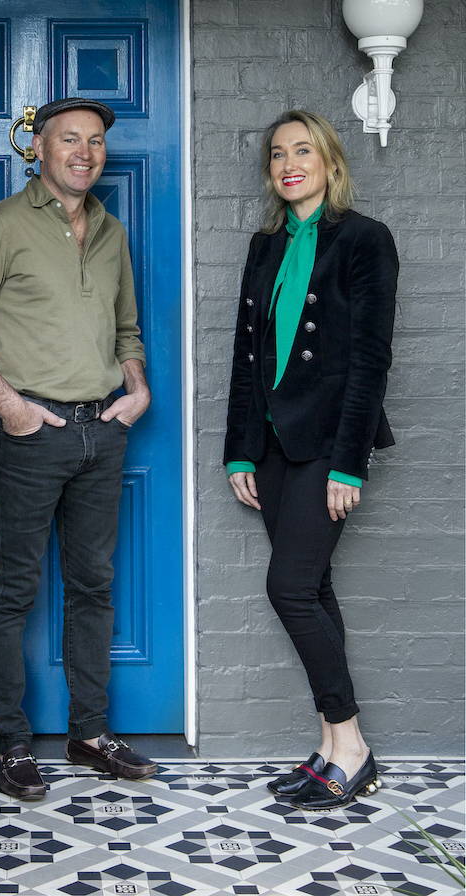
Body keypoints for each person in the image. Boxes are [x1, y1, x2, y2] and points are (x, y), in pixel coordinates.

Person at [0, 97, 156, 801]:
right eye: (68, 139)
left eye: (94, 141)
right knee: (12, 592)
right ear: (40, 149)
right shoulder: (2, 226)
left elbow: (126, 329)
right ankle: (11, 745)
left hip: (101, 434)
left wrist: (137, 390)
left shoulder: (112, 233)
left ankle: (89, 732)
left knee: (94, 586)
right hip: (30, 438)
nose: (84, 152)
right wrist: (11, 408)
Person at [224, 110, 398, 810]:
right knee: (314, 588)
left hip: (328, 447)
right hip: (270, 447)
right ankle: (331, 747)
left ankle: (351, 745)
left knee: (290, 590)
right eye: (277, 154)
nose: (289, 162)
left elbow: (370, 361)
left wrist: (349, 464)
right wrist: (239, 447)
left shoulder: (363, 239)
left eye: (303, 150)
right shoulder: (265, 246)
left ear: (328, 160)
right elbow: (246, 357)